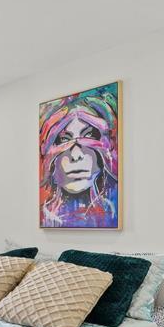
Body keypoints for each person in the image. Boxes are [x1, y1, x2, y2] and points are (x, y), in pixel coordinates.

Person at [39, 89, 118, 228]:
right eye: (64, 139)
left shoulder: (112, 212)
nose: (76, 155)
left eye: (89, 136)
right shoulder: (44, 217)